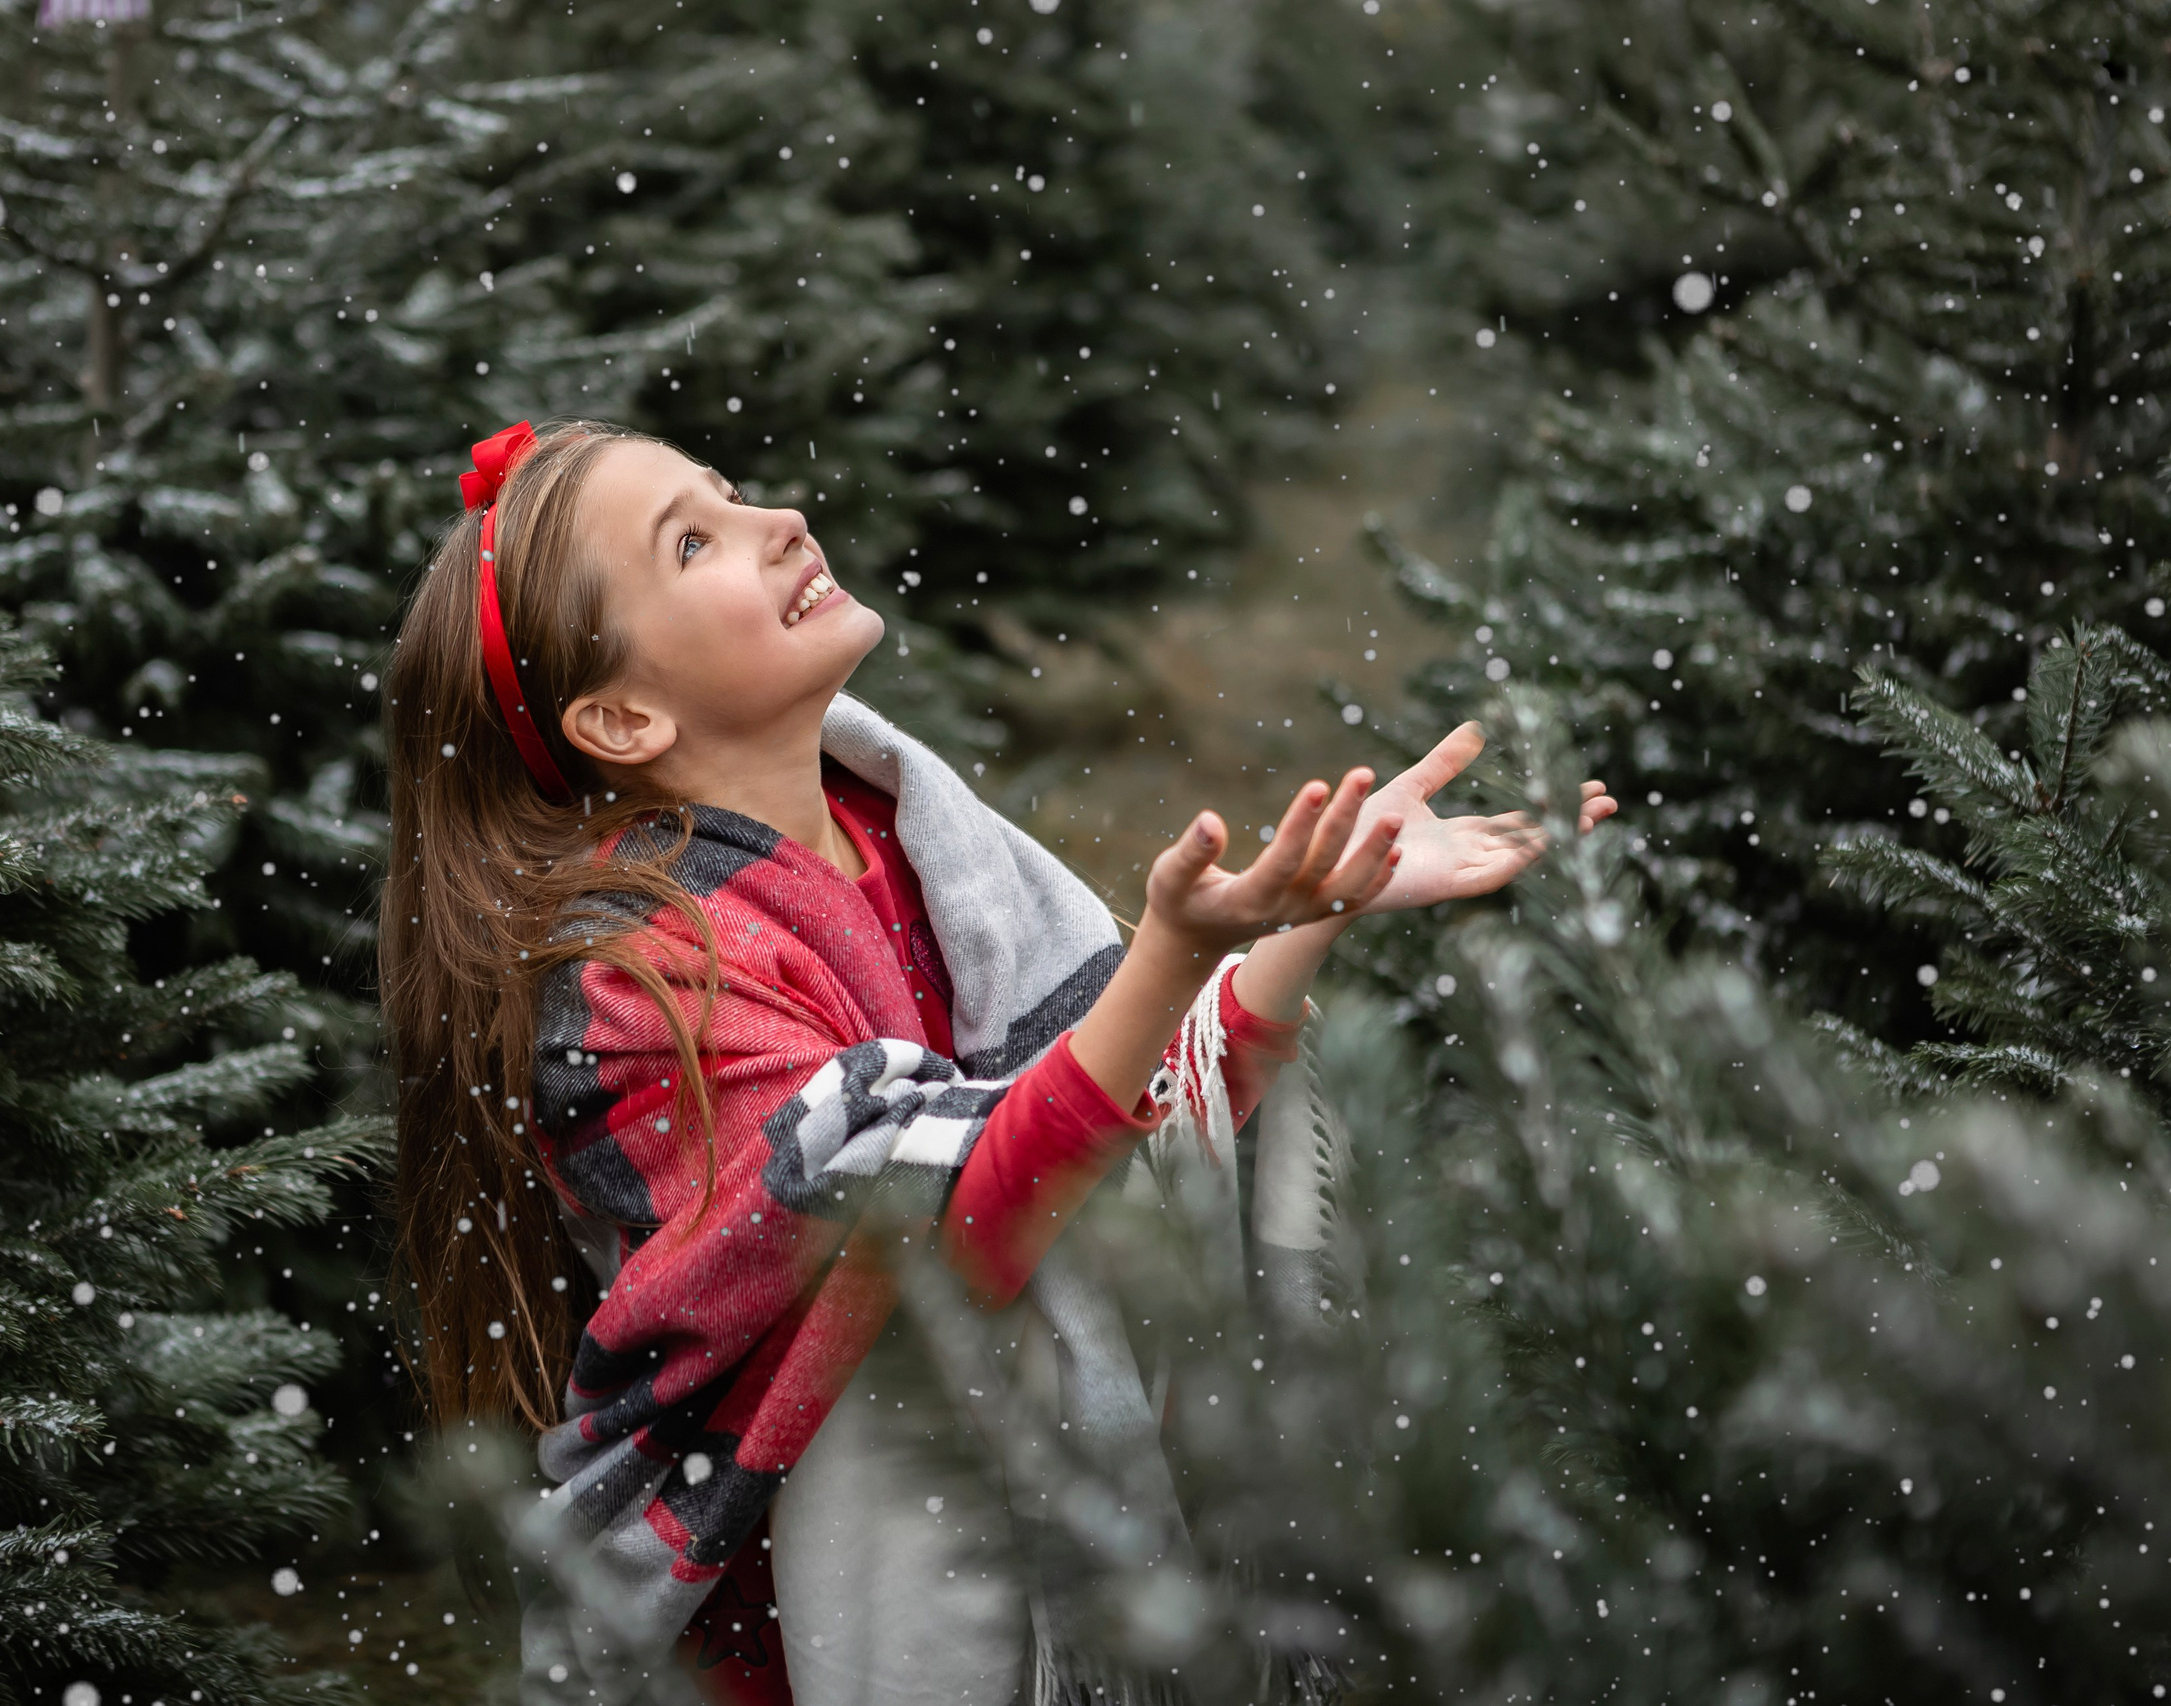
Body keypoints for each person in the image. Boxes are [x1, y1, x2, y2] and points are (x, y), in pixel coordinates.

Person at [379, 419, 1615, 1705]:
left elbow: (1106, 1115)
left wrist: (1311, 912)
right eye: (694, 542)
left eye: (732, 495)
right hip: (778, 1639)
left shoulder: (913, 834)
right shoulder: (629, 976)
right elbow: (934, 1209)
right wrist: (1172, 950)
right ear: (622, 715)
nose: (781, 521)